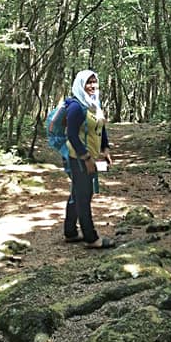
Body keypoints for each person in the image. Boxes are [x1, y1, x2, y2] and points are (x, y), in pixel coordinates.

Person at [63, 69, 114, 249]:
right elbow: (72, 135)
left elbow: (101, 127)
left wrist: (105, 149)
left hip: (89, 155)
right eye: (88, 82)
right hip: (78, 157)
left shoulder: (93, 103)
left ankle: (70, 231)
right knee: (84, 195)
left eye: (94, 82)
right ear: (80, 84)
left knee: (78, 192)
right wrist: (86, 158)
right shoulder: (77, 107)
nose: (92, 86)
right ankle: (91, 238)